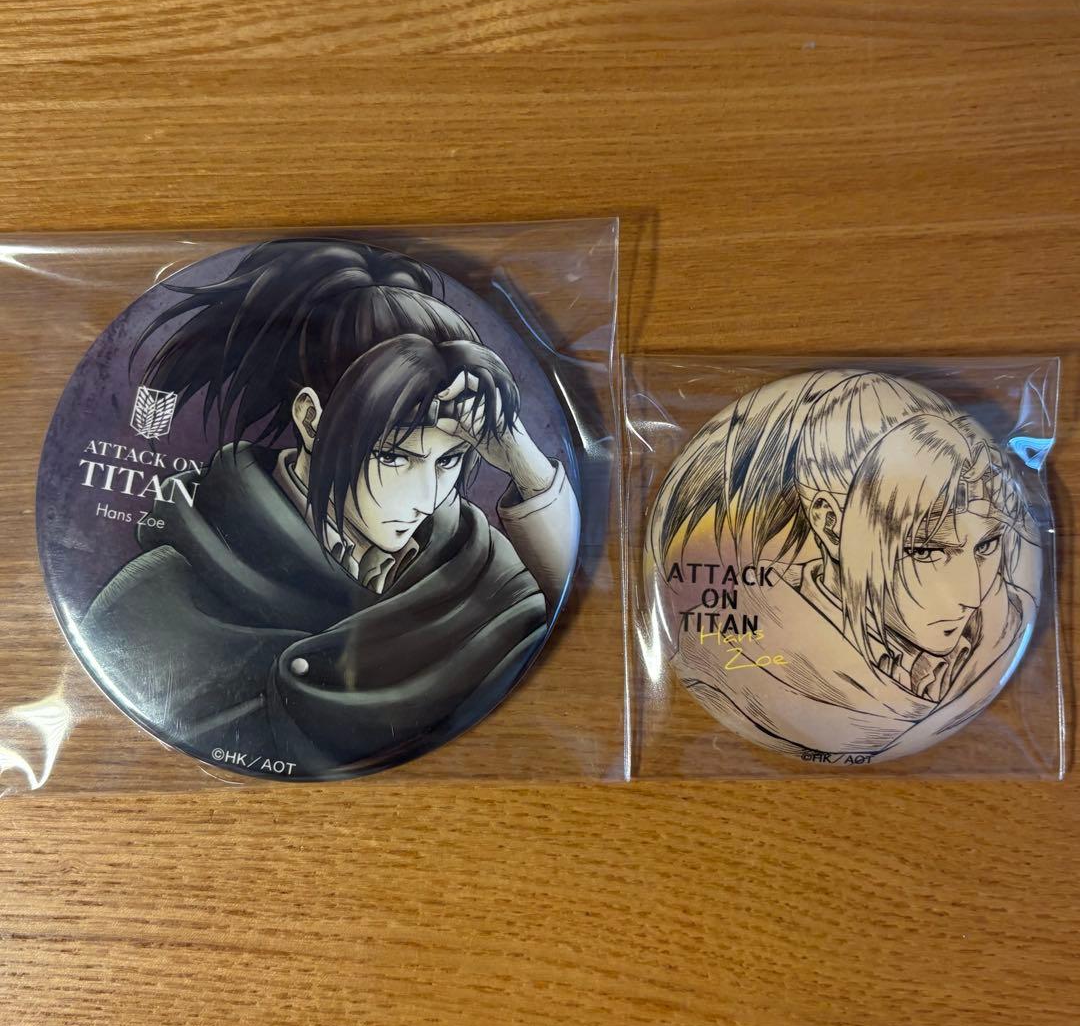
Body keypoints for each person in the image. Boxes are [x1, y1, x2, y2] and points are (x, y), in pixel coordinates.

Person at [80, 240, 579, 777]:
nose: (427, 497)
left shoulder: (481, 572)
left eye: (450, 460)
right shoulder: (161, 597)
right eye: (394, 456)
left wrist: (526, 466)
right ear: (311, 420)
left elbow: (572, 633)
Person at [650, 370, 1039, 760]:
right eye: (925, 551)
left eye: (986, 545)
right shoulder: (732, 653)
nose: (973, 593)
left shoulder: (1003, 627)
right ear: (831, 524)